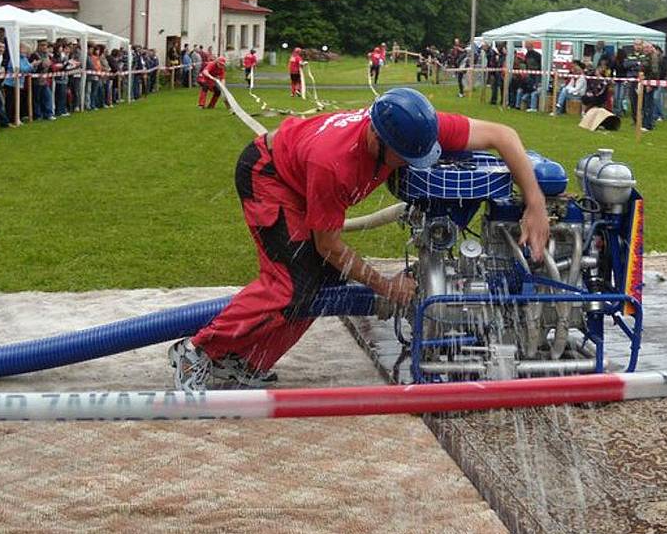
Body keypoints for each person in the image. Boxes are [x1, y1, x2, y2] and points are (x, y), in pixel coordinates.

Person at [168, 87, 551, 391]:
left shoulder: (417, 125)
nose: (407, 166)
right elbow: (328, 245)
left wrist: (535, 204)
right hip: (269, 176)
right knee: (288, 285)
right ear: (377, 139)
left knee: (326, 283)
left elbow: (504, 135)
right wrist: (385, 286)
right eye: (402, 158)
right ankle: (197, 351)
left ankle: (246, 360)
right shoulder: (335, 162)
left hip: (299, 177)